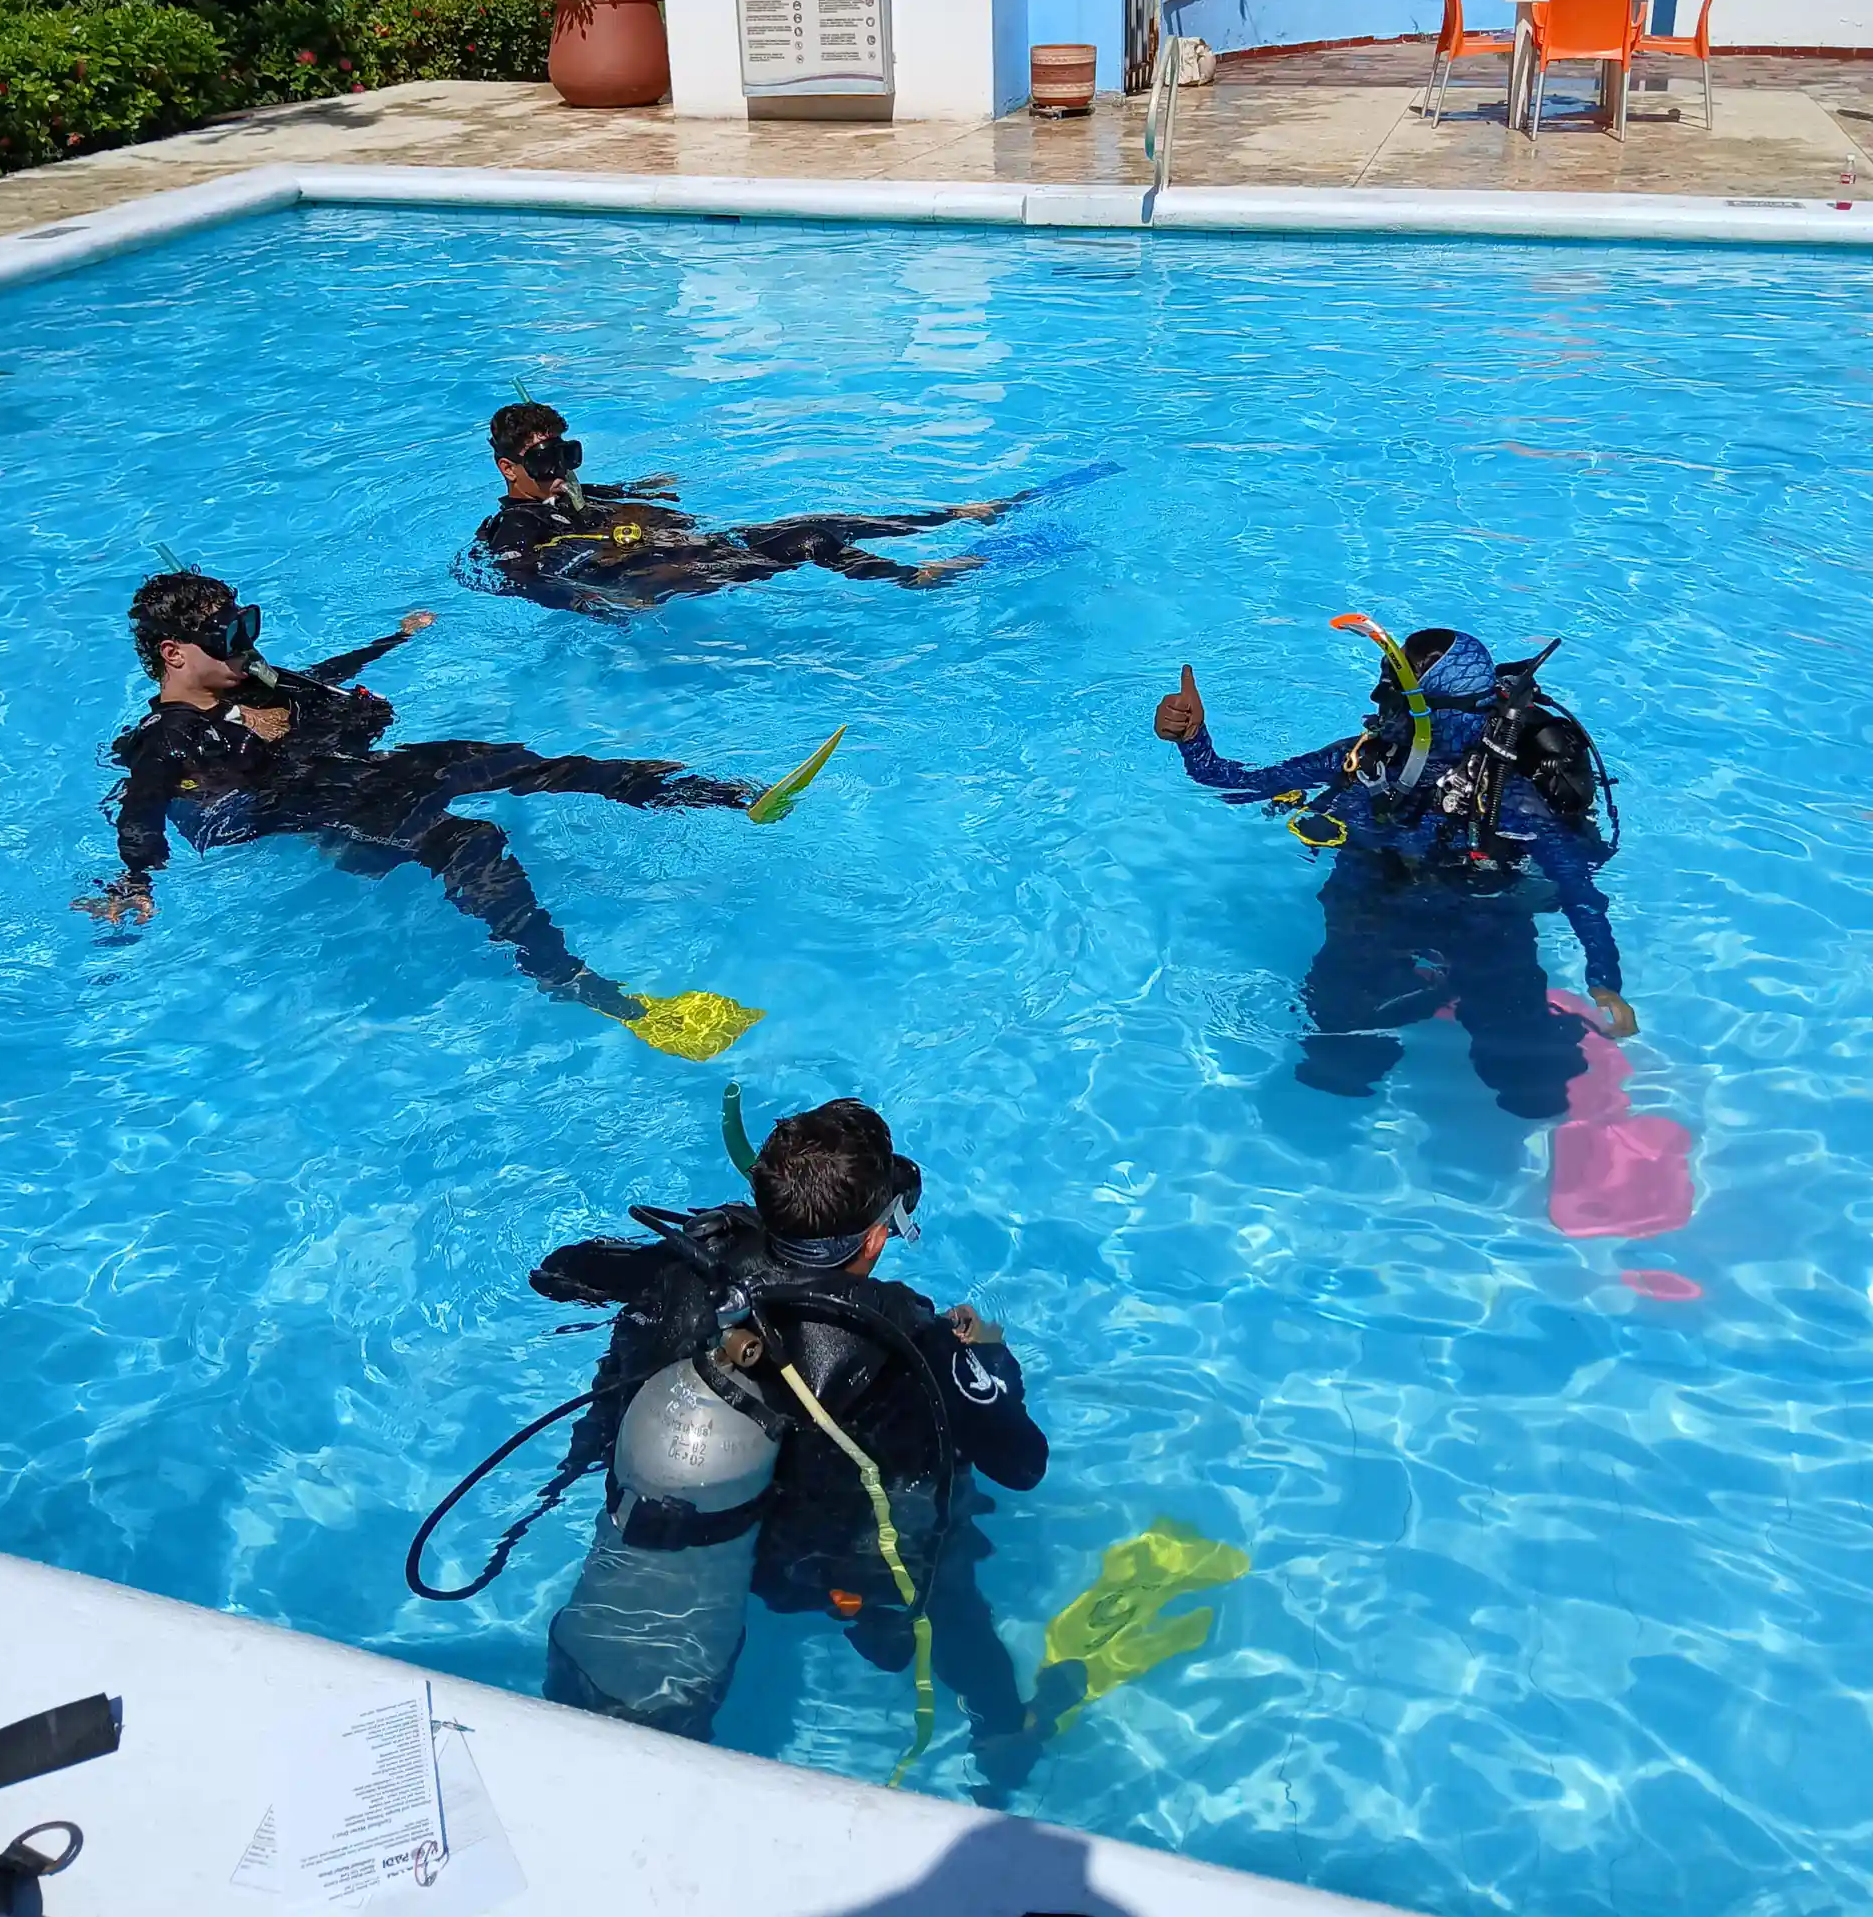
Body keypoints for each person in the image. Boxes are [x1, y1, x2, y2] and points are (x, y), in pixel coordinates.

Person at [532, 1098, 1050, 1796]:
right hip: (829, 1571)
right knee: (950, 1577)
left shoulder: (697, 1261)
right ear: (872, 1241)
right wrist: (992, 1359)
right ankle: (1001, 1731)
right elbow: (1022, 1464)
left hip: (703, 1535)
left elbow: (560, 1273)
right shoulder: (907, 1336)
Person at [79, 570, 768, 1058]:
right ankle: (566, 978)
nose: (246, 645)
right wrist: (136, 881)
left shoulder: (252, 679)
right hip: (310, 804)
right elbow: (142, 808)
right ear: (173, 654)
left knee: (512, 759)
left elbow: (323, 677)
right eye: (227, 636)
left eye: (247, 626)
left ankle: (701, 793)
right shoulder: (170, 738)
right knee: (469, 840)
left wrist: (392, 642)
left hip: (354, 773)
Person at [1155, 621, 1637, 1124]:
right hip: (1370, 910)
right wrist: (1191, 739)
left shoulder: (1507, 797)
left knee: (1531, 1083)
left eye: (1399, 693)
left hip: (1482, 920)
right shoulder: (1363, 760)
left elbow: (1578, 888)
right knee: (1335, 1063)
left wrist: (1604, 979)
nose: (1382, 703)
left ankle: (1492, 1029)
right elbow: (1238, 783)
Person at [466, 401, 1006, 612]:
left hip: (685, 549)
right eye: (542, 462)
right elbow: (515, 578)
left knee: (819, 520)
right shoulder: (518, 523)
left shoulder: (571, 494)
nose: (560, 469)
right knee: (810, 541)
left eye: (566, 454)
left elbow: (606, 498)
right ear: (508, 469)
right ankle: (914, 577)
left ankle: (949, 516)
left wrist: (646, 490)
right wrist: (591, 603)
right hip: (656, 576)